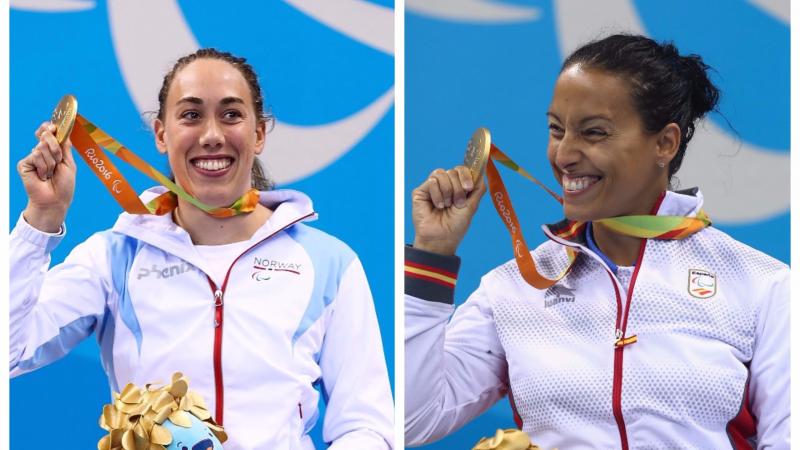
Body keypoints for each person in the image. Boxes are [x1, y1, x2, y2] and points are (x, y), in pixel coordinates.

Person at [405, 34, 788, 449]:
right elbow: (412, 421)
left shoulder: (761, 285)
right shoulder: (514, 288)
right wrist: (432, 254)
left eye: (594, 133)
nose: (564, 154)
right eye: (556, 130)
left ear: (665, 143)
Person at [10, 48, 393, 450]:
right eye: (191, 115)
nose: (212, 135)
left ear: (258, 133)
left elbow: (367, 426)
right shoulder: (113, 259)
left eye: (231, 115)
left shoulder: (329, 264)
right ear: (162, 134)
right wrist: (41, 218)